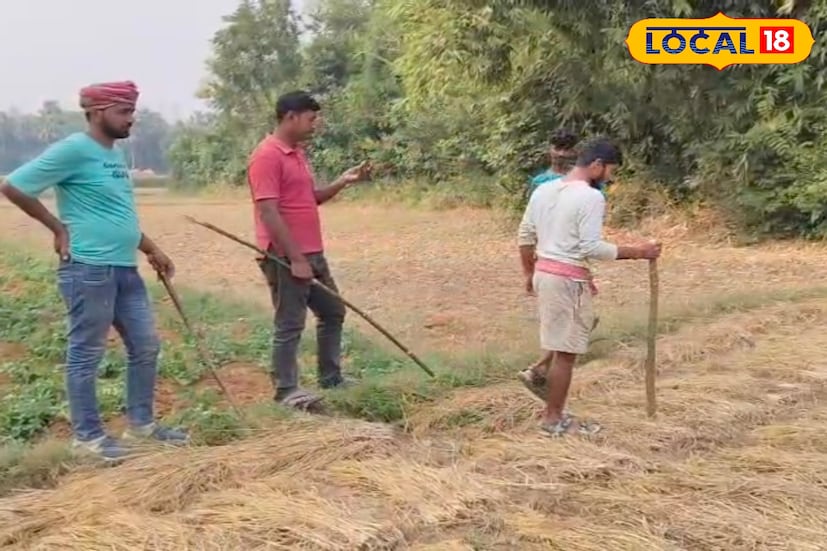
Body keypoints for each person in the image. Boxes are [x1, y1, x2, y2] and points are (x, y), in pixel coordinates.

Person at [0, 81, 188, 460]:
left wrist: (151, 248)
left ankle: (142, 427)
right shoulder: (74, 149)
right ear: (98, 112)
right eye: (124, 111)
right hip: (89, 269)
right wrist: (58, 227)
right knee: (86, 353)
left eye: (132, 111)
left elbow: (117, 213)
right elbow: (14, 186)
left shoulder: (115, 155)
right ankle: (88, 438)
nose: (131, 119)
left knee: (146, 346)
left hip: (125, 268)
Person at [516, 138, 661, 436]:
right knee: (567, 352)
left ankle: (541, 376)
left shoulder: (543, 190)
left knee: (563, 340)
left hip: (546, 273)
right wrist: (640, 251)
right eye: (609, 170)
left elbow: (525, 237)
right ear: (596, 165)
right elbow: (592, 247)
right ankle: (553, 419)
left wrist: (529, 274)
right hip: (567, 279)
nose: (610, 177)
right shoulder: (591, 198)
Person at [247, 90, 372, 411]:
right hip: (286, 255)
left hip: (312, 252)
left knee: (333, 312)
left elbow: (309, 198)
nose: (315, 124)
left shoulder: (297, 153)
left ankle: (331, 378)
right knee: (289, 323)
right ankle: (286, 390)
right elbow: (269, 211)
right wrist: (296, 259)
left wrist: (344, 181)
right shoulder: (266, 156)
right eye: (311, 118)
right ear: (290, 117)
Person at [528, 128, 579, 193]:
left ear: (574, 152)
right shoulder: (539, 181)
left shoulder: (581, 178)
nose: (561, 154)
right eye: (557, 148)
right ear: (549, 150)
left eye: (566, 149)